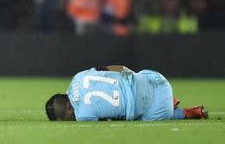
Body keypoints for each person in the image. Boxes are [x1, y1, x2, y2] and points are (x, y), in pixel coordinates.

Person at [45, 65, 208, 121]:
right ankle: (174, 103)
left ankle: (181, 112)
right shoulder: (78, 77)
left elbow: (109, 118)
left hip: (160, 109)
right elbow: (111, 68)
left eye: (65, 118)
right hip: (155, 78)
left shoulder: (83, 116)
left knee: (137, 117)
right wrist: (130, 73)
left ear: (67, 106)